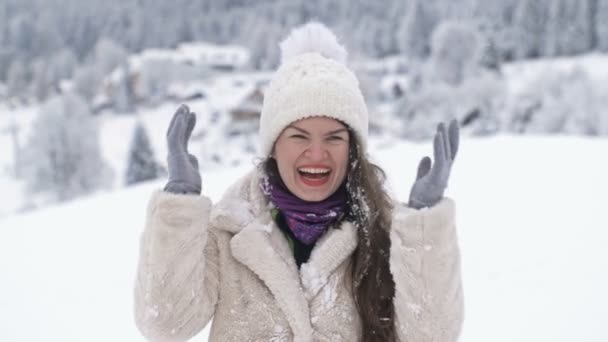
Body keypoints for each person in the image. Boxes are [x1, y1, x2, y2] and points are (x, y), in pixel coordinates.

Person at [134, 22, 463, 342]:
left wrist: (424, 226)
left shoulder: (386, 232)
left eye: (334, 138)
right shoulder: (227, 230)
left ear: (352, 150)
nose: (316, 153)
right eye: (299, 136)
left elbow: (432, 336)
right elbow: (165, 325)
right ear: (274, 147)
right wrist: (180, 203)